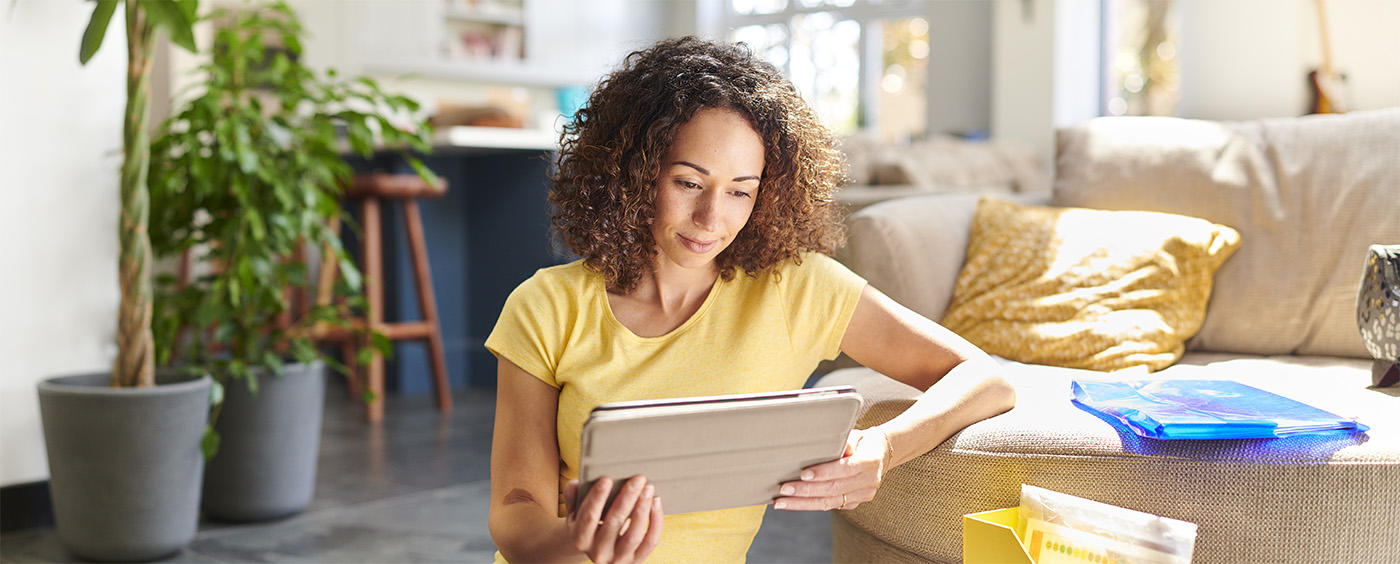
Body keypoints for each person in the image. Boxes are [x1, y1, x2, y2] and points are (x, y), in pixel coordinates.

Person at [486, 36, 1015, 564]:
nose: (712, 218)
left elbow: (983, 379)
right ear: (634, 173)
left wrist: (884, 446)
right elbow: (516, 507)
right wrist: (579, 544)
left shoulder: (798, 290)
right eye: (689, 183)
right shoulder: (546, 307)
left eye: (741, 190)